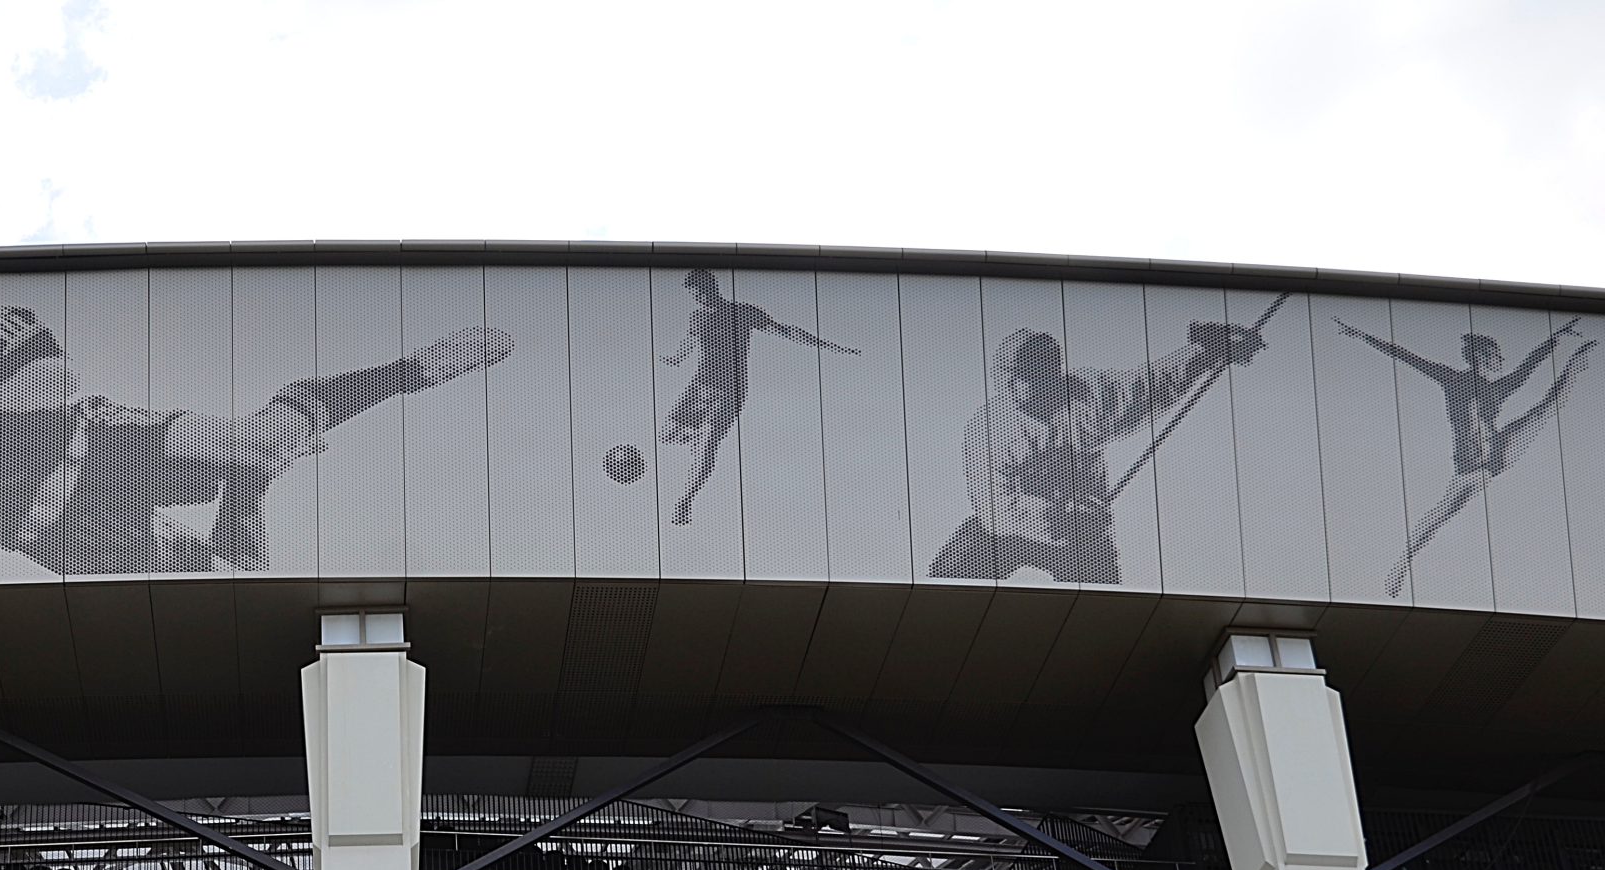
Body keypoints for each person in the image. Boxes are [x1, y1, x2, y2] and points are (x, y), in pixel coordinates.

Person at [0, 275, 513, 574]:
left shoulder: (3, 327)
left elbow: (58, 384)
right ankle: (248, 493)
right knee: (231, 585)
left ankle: (405, 373)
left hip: (97, 447)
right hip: (51, 530)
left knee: (257, 441)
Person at [928, 317, 1266, 585]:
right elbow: (995, 507)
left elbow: (1152, 387)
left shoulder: (1086, 394)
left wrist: (1206, 353)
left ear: (1052, 372)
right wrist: (1057, 516)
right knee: (946, 579)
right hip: (1008, 530)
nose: (1021, 386)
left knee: (1104, 611)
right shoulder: (989, 429)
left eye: (1032, 375)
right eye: (1014, 377)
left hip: (1084, 532)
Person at [1334, 316, 1594, 594]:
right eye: (1496, 355)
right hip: (1472, 466)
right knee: (1438, 516)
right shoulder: (1453, 379)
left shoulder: (1496, 388)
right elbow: (1408, 357)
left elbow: (1527, 367)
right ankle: (1399, 570)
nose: (1501, 360)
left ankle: (1581, 357)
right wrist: (1361, 336)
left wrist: (1557, 337)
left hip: (1498, 450)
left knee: (1547, 405)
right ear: (1482, 356)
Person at [659, 268, 858, 526]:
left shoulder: (742, 313)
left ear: (712, 288)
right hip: (699, 387)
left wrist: (829, 345)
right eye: (695, 296)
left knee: (707, 443)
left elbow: (786, 331)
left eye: (702, 293)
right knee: (667, 436)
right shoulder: (697, 317)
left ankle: (686, 500)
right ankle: (695, 437)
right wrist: (665, 359)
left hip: (729, 390)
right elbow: (683, 351)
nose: (700, 300)